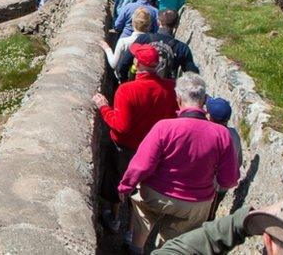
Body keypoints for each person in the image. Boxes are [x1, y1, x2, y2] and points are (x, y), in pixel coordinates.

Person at [119, 73, 240, 251]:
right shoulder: (222, 135)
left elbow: (142, 165)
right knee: (176, 244)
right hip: (196, 203)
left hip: (156, 194)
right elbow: (228, 180)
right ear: (204, 100)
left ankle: (136, 248)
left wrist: (125, 186)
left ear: (178, 99)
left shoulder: (164, 127)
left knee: (143, 218)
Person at [93, 43, 179, 233]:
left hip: (126, 147)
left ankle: (114, 218)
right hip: (156, 148)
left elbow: (121, 127)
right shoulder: (171, 88)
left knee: (119, 180)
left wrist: (103, 108)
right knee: (142, 188)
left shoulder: (127, 90)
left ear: (136, 63)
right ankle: (133, 231)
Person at [154, 194, 283, 254]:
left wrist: (239, 222)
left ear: (268, 241)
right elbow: (228, 179)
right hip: (199, 200)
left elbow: (174, 251)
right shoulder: (226, 137)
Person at [115, 10, 199, 80]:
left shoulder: (143, 39)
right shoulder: (181, 48)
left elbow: (123, 64)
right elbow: (192, 76)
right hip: (166, 91)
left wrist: (125, 82)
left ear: (158, 22)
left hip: (142, 84)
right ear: (176, 25)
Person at [206, 97, 244, 220]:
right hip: (221, 187)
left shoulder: (206, 133)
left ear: (210, 116)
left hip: (204, 186)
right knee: (210, 215)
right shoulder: (234, 135)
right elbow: (238, 161)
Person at [101, 8, 154, 73]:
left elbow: (113, 64)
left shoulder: (123, 42)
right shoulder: (153, 43)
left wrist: (107, 49)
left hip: (125, 78)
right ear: (149, 25)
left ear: (132, 22)